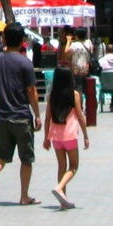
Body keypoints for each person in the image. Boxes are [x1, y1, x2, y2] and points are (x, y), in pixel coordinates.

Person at [0, 22, 40, 206]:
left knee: (1, 156)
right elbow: (31, 91)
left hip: (1, 116)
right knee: (26, 159)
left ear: (4, 38)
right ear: (22, 40)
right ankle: (24, 196)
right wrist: (37, 114)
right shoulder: (25, 63)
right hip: (21, 116)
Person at [41, 66, 89, 209]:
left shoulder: (51, 95)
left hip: (55, 136)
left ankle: (63, 200)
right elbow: (80, 116)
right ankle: (60, 187)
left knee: (61, 166)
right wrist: (86, 135)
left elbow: (47, 117)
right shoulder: (74, 94)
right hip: (69, 135)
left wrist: (46, 137)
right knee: (74, 166)